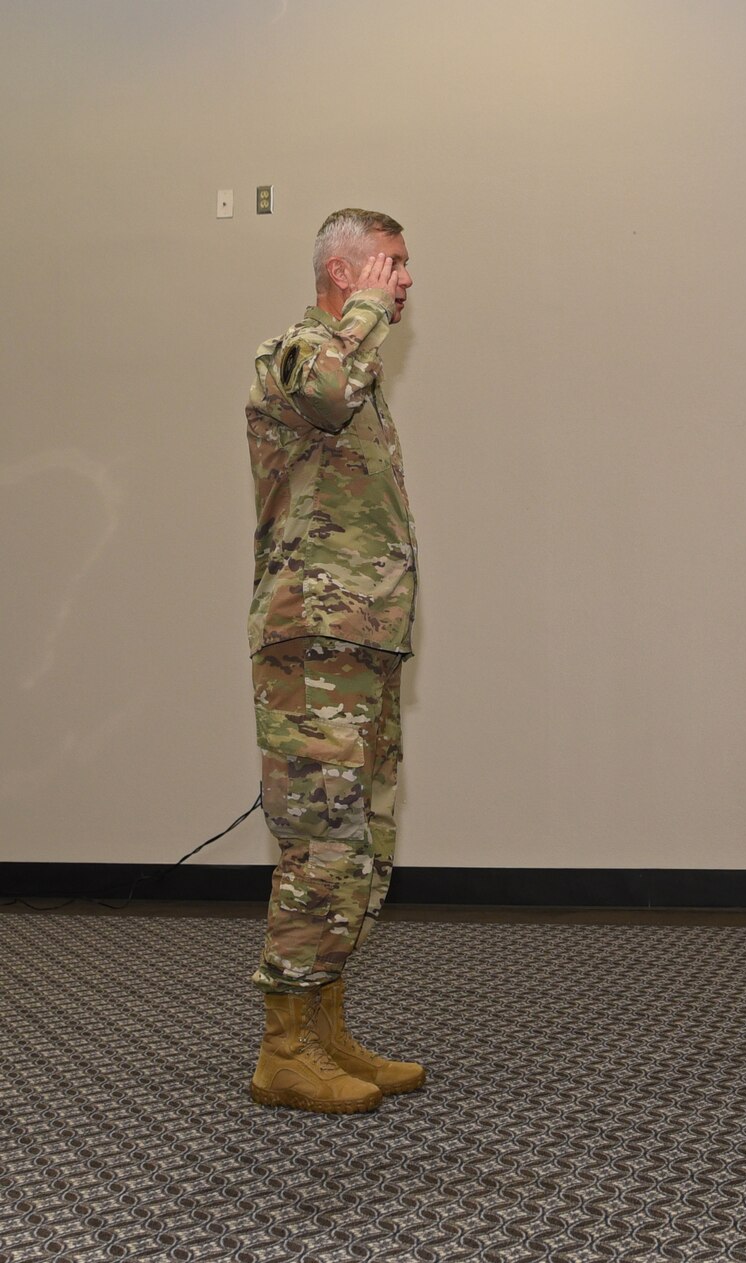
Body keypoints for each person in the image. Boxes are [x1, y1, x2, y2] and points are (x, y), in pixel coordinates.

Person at [243, 208, 424, 1114]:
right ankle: (283, 1050)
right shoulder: (297, 354)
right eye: (390, 264)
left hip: (361, 640)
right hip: (312, 642)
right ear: (344, 270)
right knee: (319, 843)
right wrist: (361, 313)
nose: (403, 283)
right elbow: (321, 393)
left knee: (361, 843)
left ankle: (324, 1026)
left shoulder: (357, 370)